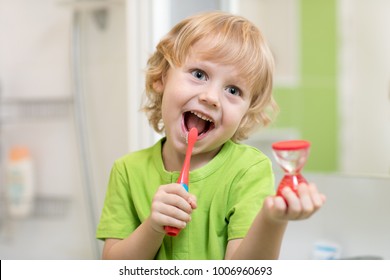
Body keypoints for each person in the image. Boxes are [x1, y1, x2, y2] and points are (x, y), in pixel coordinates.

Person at [96, 11, 326, 260]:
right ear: (162, 77)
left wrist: (272, 220)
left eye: (233, 90)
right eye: (198, 74)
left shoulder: (248, 170)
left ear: (246, 112)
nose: (211, 98)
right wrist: (153, 227)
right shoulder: (128, 171)